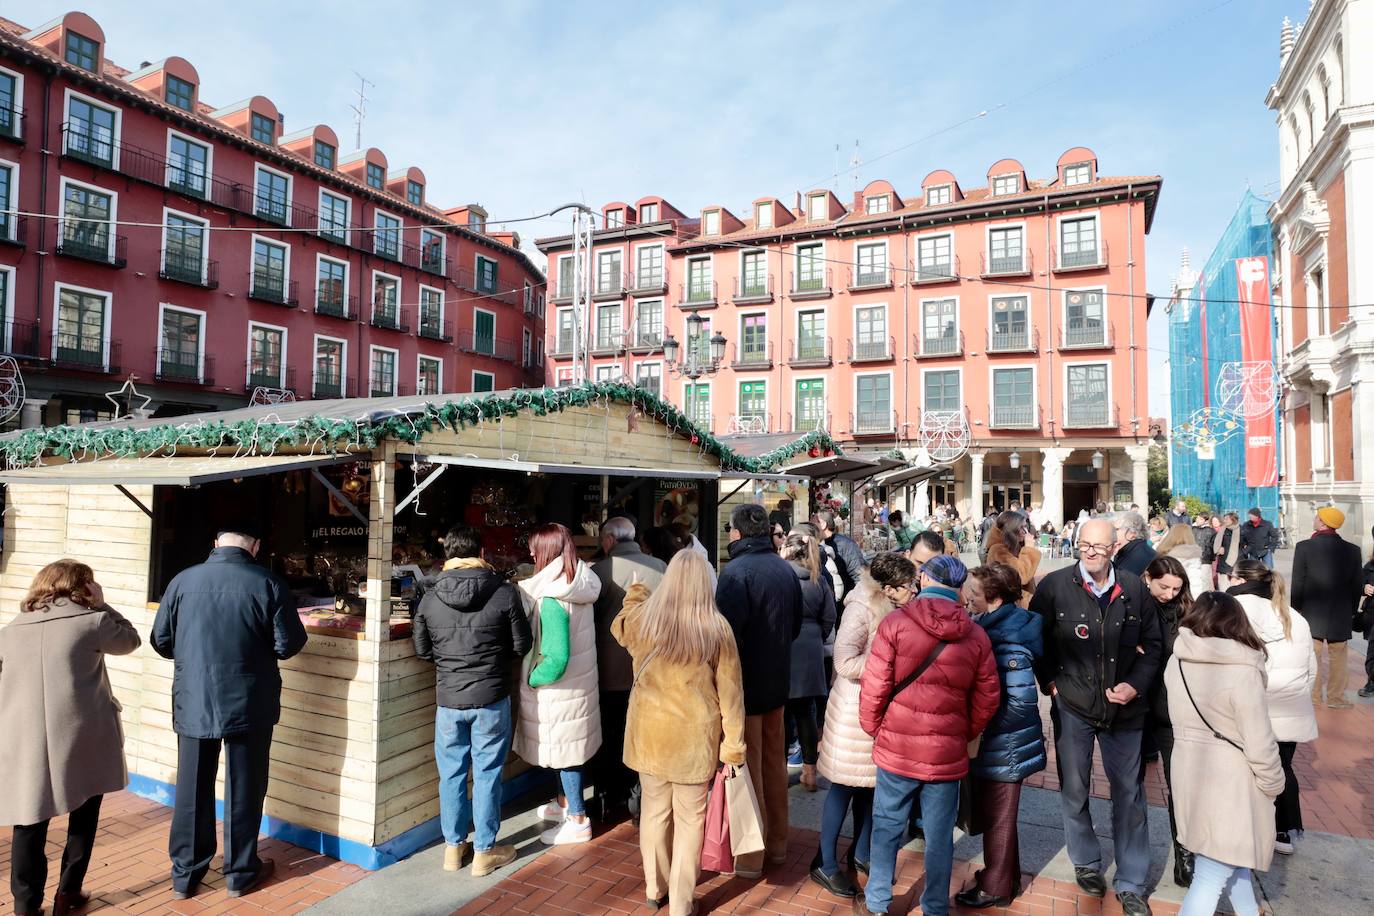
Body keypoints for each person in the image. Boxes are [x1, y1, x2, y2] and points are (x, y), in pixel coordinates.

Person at [151, 521, 307, 899]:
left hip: (194, 698)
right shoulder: (267, 584)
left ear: (216, 543)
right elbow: (288, 644)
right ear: (255, 547)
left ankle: (185, 876)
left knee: (191, 789)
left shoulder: (182, 581)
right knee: (245, 787)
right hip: (249, 702)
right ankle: (239, 872)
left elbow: (161, 640)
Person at [1029, 518, 1162, 916]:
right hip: (1073, 704)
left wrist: (1135, 685)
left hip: (1126, 709)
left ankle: (1132, 881)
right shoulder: (1054, 586)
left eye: (1098, 546)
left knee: (1131, 794)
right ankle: (1086, 861)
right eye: (1084, 544)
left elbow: (1153, 645)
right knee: (1075, 785)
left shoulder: (1135, 588)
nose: (1089, 552)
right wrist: (1048, 681)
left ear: (1113, 548)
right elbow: (1035, 637)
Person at [855, 554, 999, 916]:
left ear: (923, 579)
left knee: (887, 825)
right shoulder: (976, 634)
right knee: (939, 837)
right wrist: (963, 732)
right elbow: (987, 696)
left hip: (898, 745)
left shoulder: (896, 624)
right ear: (959, 587)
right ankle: (935, 905)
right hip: (946, 751)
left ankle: (877, 902)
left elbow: (874, 685)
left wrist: (875, 727)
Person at [1, 561, 141, 916]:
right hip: (82, 736)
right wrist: (103, 603)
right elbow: (130, 640)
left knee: (28, 819)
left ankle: (25, 907)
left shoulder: (10, 631)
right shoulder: (92, 621)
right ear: (82, 587)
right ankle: (68, 894)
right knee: (84, 811)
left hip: (24, 738)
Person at [614, 550, 746, 916]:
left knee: (654, 813)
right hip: (693, 741)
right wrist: (733, 747)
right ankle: (682, 903)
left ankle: (654, 888)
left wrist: (636, 594)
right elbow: (731, 695)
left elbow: (619, 626)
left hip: (650, 736)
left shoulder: (644, 620)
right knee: (691, 821)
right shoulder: (717, 628)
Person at [413, 524, 532, 875]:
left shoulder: (430, 597)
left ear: (446, 556)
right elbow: (521, 645)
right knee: (487, 774)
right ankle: (483, 852)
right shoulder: (505, 593)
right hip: (491, 697)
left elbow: (422, 650)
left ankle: (453, 849)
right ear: (481, 554)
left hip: (449, 700)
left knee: (450, 775)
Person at [1165, 592, 1285, 916]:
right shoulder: (1242, 670)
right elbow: (1260, 742)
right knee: (1211, 875)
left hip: (1190, 771)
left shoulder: (1177, 659)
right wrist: (1274, 783)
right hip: (1231, 783)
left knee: (1231, 862)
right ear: (1236, 621)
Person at [811, 553, 917, 899]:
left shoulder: (896, 607)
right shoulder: (860, 607)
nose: (913, 591)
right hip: (853, 711)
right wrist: (887, 662)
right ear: (887, 588)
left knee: (872, 788)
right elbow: (843, 662)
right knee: (843, 787)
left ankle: (861, 852)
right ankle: (825, 863)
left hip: (879, 710)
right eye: (907, 586)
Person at [715, 503, 804, 877]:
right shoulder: (785, 569)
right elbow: (796, 625)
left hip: (745, 686)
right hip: (777, 681)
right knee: (774, 765)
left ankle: (752, 854)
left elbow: (725, 635)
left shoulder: (734, 573)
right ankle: (779, 843)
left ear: (736, 533)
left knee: (749, 769)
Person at [955, 563, 1046, 909]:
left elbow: (1021, 703)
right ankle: (1005, 877)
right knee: (998, 814)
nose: (968, 598)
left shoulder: (1008, 639)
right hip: (1000, 740)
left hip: (1004, 742)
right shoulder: (995, 625)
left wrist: (980, 727)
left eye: (974, 594)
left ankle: (995, 888)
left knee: (999, 816)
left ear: (992, 598)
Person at [516, 522, 604, 845]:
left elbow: (555, 659)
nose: (530, 552)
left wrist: (530, 677)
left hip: (560, 692)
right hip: (578, 689)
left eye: (534, 548)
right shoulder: (577, 582)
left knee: (566, 755)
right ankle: (565, 804)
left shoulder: (551, 596)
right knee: (568, 751)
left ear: (546, 553)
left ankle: (578, 819)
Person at [1227, 560, 1317, 856]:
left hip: (1252, 705)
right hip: (1290, 705)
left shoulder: (1235, 608)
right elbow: (1310, 668)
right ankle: (1284, 830)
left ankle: (1248, 826)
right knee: (1283, 768)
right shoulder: (1295, 618)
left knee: (1245, 767)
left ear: (1240, 578)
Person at [590, 517, 667, 821]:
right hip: (651, 665)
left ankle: (611, 797)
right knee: (644, 733)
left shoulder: (599, 572)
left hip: (611, 670)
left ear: (609, 540)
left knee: (611, 733)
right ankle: (640, 795)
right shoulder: (661, 566)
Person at [1140, 556, 1195, 887]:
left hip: (1172, 710)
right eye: (1164, 587)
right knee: (1130, 786)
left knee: (1182, 786)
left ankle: (1184, 855)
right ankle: (1133, 859)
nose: (1170, 594)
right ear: (1149, 578)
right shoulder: (1133, 605)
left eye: (1177, 588)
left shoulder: (1189, 612)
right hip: (1135, 704)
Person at [1291, 506, 1364, 709]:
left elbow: (1298, 581)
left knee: (1312, 655)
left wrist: (1296, 608)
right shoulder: (1353, 550)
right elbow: (1356, 584)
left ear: (1323, 522)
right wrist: (1350, 609)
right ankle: (1336, 697)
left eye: (1317, 516)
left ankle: (1313, 696)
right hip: (1340, 611)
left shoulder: (1304, 547)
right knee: (1339, 656)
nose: (1314, 519)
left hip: (1311, 610)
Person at [782, 530, 836, 792]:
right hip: (811, 647)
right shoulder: (819, 580)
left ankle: (778, 770)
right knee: (806, 714)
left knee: (781, 714)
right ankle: (810, 772)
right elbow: (830, 616)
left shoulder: (781, 577)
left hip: (785, 646)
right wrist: (817, 635)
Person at [984, 510, 1042, 605]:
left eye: (1026, 527)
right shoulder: (998, 550)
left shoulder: (1015, 547)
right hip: (1011, 609)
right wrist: (1029, 549)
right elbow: (1022, 576)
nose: (1025, 532)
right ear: (1011, 530)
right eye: (1021, 527)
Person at [815, 506, 866, 605]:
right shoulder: (815, 544)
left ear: (823, 524)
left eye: (813, 524)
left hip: (844, 602)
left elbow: (859, 576)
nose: (810, 527)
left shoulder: (846, 545)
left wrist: (855, 603)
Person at [1155, 524, 1209, 601]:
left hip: (1160, 593)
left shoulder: (1161, 551)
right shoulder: (1192, 556)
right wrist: (1198, 601)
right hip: (1181, 595)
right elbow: (1195, 582)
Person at [1113, 512, 1157, 578]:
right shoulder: (1130, 551)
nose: (1112, 533)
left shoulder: (1136, 557)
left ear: (1132, 533)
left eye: (1116, 529)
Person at [1213, 513, 1241, 590]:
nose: (1224, 521)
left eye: (1227, 519)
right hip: (1223, 560)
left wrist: (1243, 552)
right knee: (1223, 584)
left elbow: (1250, 543)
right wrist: (1219, 548)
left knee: (1236, 585)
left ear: (1233, 520)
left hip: (1237, 560)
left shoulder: (1242, 530)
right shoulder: (1222, 530)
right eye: (1224, 519)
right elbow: (1214, 542)